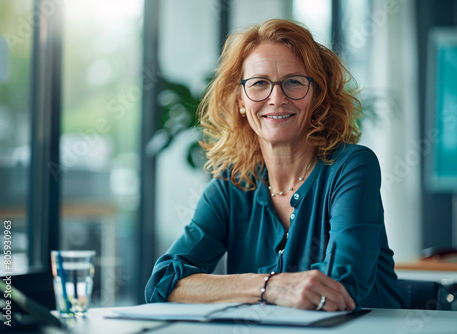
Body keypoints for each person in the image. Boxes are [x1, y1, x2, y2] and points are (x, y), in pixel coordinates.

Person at [145, 18, 403, 311]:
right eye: (259, 84)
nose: (276, 98)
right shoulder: (230, 188)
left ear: (317, 95)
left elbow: (342, 283)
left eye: (293, 82)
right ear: (240, 99)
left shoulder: (352, 167)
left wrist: (240, 288)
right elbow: (164, 281)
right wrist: (269, 286)